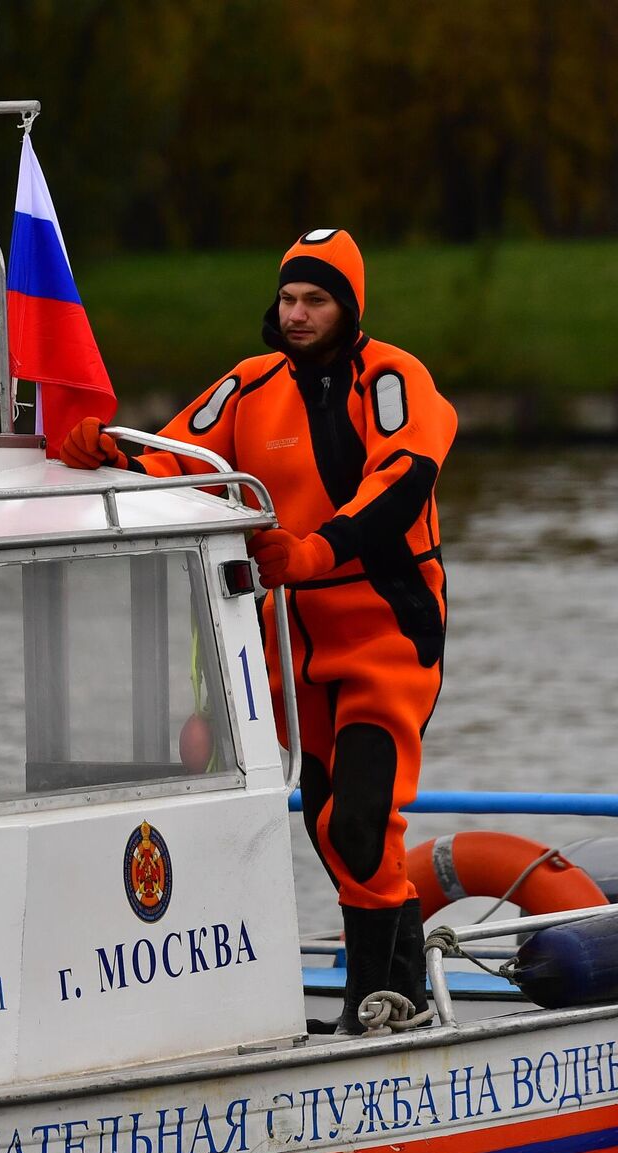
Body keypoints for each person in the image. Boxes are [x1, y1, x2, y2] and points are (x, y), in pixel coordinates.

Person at [57, 229, 455, 1035]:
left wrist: (315, 551)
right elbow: (176, 457)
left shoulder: (393, 377)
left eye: (316, 299)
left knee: (360, 819)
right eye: (289, 298)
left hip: (384, 629)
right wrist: (101, 450)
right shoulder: (248, 386)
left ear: (349, 306)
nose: (298, 314)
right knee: (328, 824)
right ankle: (380, 1001)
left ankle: (391, 998)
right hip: (289, 644)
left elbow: (404, 482)